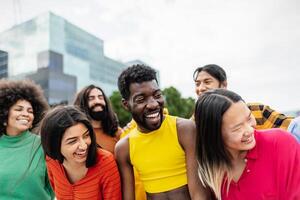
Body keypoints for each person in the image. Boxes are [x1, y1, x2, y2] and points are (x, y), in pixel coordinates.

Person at [116, 64, 208, 200]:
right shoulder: (124, 148)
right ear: (126, 105)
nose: (153, 104)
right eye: (141, 99)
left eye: (157, 95)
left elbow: (199, 194)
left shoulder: (185, 129)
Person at [194, 89, 300, 199]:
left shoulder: (280, 143)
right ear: (214, 135)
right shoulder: (206, 171)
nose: (250, 130)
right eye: (237, 128)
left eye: (249, 118)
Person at [40, 106, 121, 200]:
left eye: (86, 135)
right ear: (54, 145)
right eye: (72, 141)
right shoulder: (51, 160)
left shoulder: (105, 161)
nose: (84, 146)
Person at [193, 64, 293, 129]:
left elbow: (293, 128)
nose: (201, 88)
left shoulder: (257, 111)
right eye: (197, 84)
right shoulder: (194, 123)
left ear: (224, 85)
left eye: (207, 82)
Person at [0, 79, 54, 200]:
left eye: (30, 111)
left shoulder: (43, 144)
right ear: (4, 115)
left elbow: (54, 187)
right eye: (19, 109)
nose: (26, 114)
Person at [74, 84, 122, 153]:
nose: (97, 101)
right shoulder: (75, 132)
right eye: (91, 98)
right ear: (82, 104)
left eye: (100, 97)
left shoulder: (118, 132)